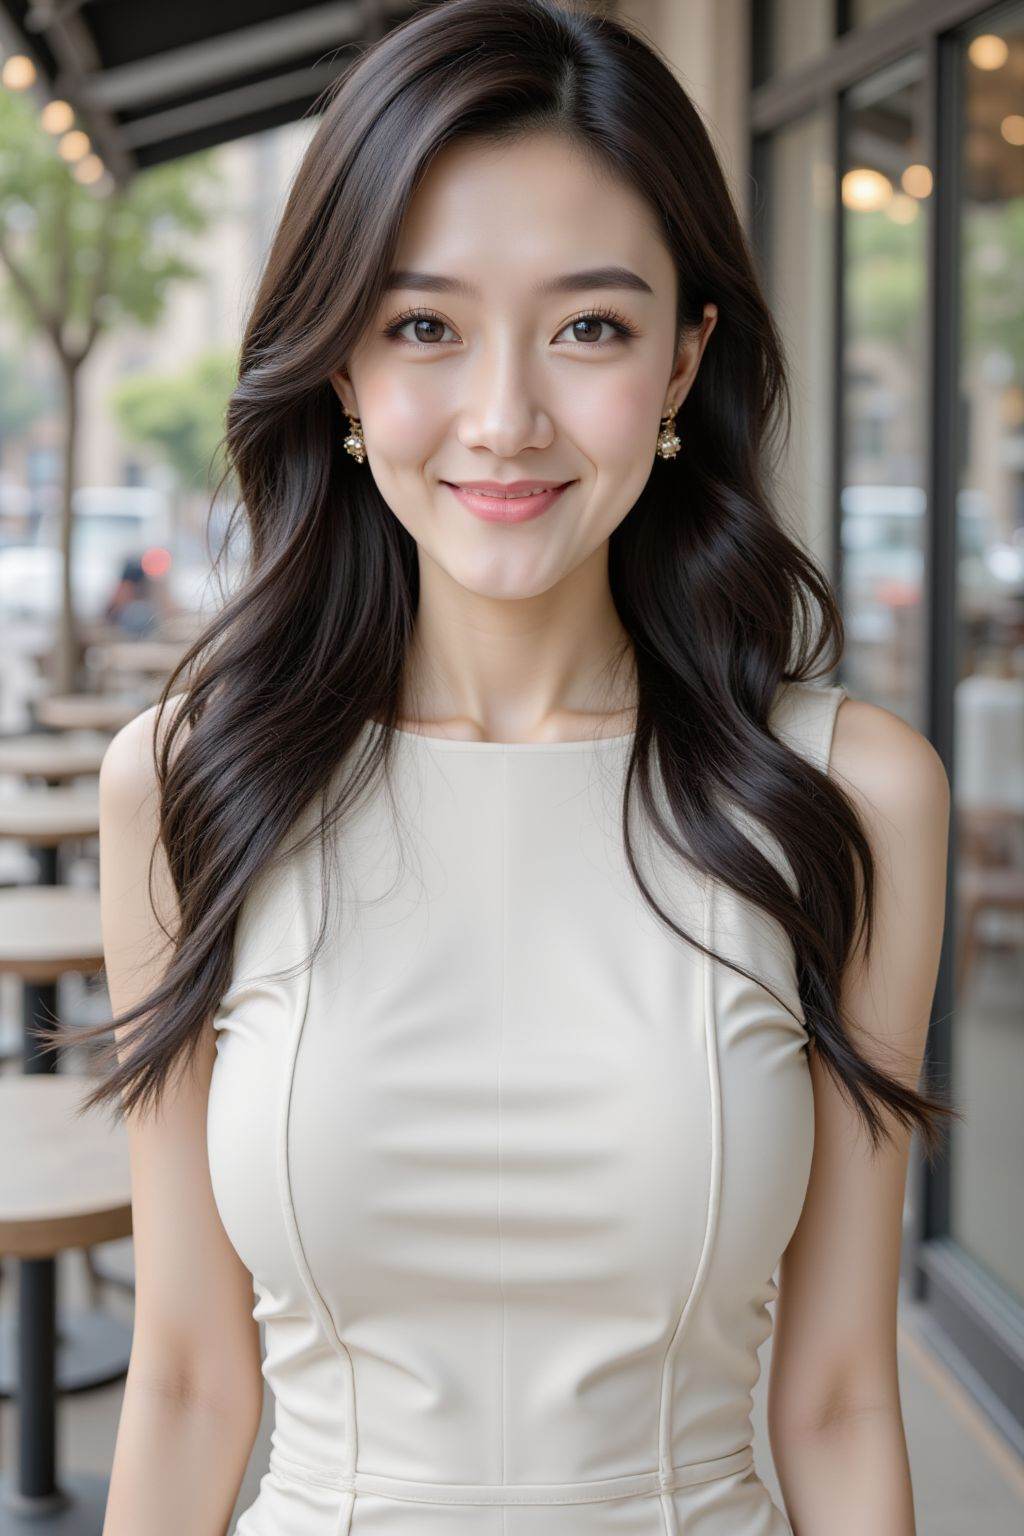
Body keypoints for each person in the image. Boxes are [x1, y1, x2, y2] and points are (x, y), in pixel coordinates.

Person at [44, 2, 955, 1533]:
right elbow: (194, 1376)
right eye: (423, 326)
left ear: (682, 361)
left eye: (589, 326)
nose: (505, 417)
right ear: (338, 368)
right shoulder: (191, 783)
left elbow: (842, 1395)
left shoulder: (850, 797)